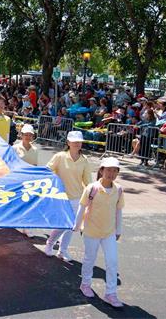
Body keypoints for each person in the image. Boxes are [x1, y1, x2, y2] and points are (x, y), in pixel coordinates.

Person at [73, 157, 125, 308]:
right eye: (108, 170)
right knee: (90, 259)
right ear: (101, 170)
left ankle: (111, 293)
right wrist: (77, 226)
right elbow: (82, 207)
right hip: (91, 231)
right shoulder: (92, 188)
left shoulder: (119, 189)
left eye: (115, 170)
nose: (111, 173)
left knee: (112, 262)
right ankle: (85, 284)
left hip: (109, 232)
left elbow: (118, 211)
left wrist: (118, 230)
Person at [45, 131, 92, 261]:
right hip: (61, 197)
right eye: (74, 141)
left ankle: (63, 250)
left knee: (71, 226)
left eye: (79, 141)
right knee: (62, 224)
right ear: (68, 143)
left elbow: (88, 181)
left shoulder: (84, 160)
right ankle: (50, 243)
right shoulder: (60, 156)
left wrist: (92, 196)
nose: (77, 143)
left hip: (77, 197)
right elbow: (47, 170)